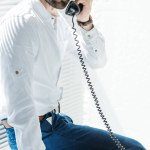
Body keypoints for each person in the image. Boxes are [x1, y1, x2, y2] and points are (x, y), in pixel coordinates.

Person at [0, 0, 146, 149]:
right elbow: (19, 107)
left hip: (53, 122)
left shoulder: (56, 21)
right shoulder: (21, 22)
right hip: (33, 131)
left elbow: (96, 60)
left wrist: (85, 20)